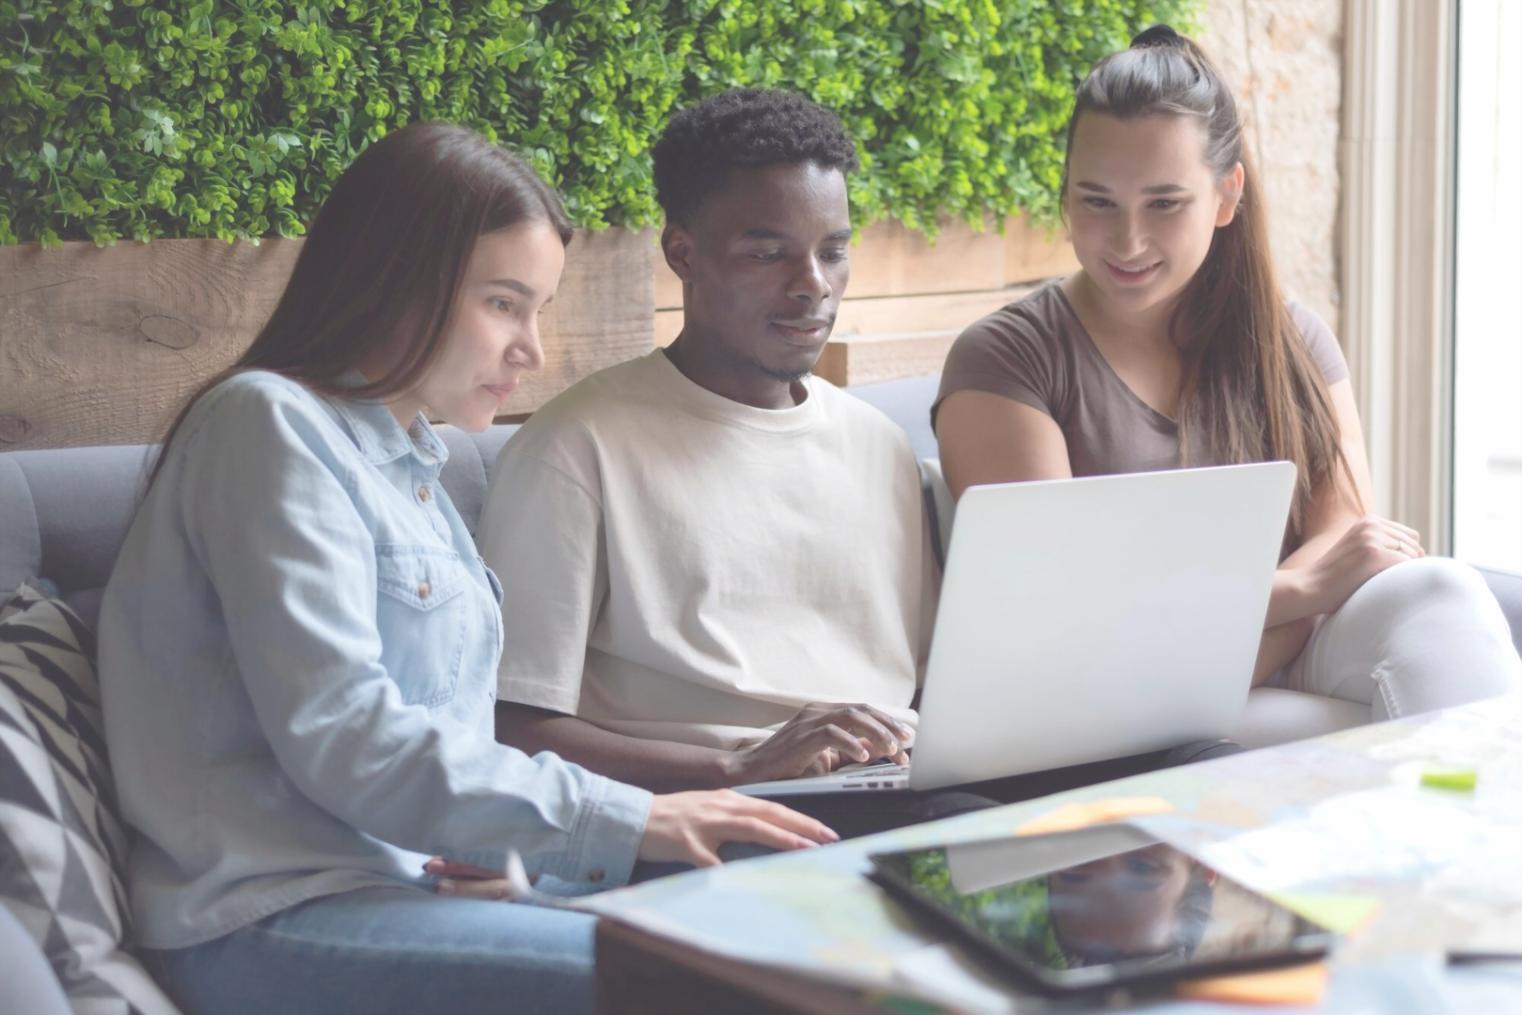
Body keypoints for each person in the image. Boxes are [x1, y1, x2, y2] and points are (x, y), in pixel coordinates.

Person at [96, 122, 835, 1015]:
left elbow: (448, 739)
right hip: (274, 914)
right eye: (503, 304)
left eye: (540, 310)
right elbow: (346, 734)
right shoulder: (268, 428)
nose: (532, 350)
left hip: (413, 887)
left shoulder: (412, 469)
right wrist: (636, 815)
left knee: (798, 881)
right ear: (396, 281)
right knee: (725, 981)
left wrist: (502, 857)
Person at [473, 89, 1236, 857]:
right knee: (970, 837)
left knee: (1205, 775)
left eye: (832, 249)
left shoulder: (877, 445)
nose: (812, 283)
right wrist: (737, 764)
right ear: (683, 253)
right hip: (737, 805)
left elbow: (943, 683)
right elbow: (511, 727)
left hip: (898, 778)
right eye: (767, 252)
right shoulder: (577, 447)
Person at [933, 26, 1521, 721]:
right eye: (1097, 201)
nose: (1128, 241)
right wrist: (1297, 595)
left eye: (1164, 203)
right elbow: (1069, 614)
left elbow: (1346, 536)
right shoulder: (1006, 359)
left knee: (1441, 591)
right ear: (1064, 197)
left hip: (1281, 651)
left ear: (1226, 195)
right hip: (1119, 699)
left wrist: (1282, 610)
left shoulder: (1291, 337)